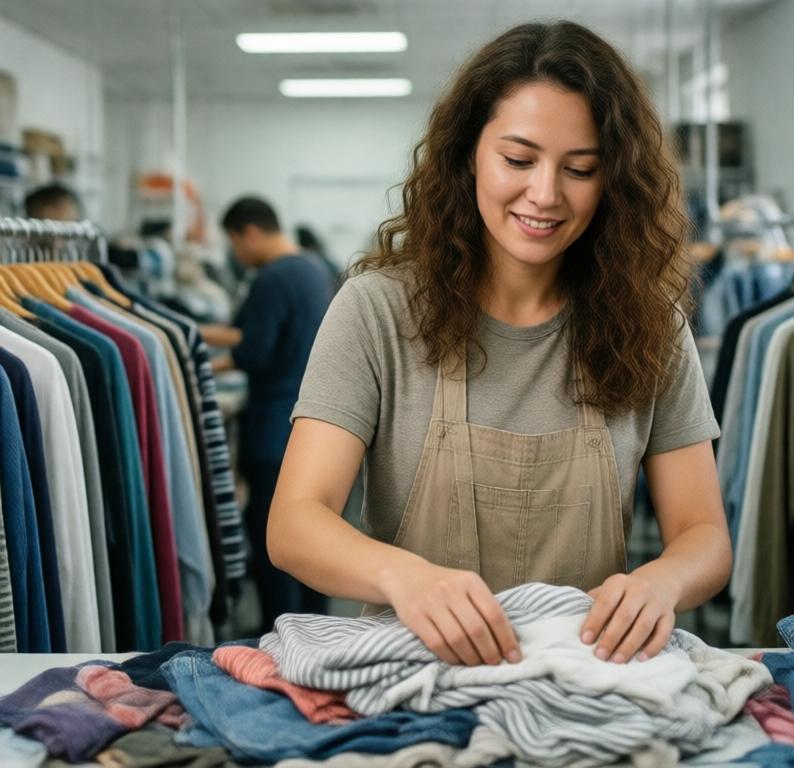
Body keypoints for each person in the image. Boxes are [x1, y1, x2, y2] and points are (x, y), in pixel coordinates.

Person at [268, 21, 731, 667]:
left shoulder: (651, 324)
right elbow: (294, 522)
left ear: (613, 180)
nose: (544, 194)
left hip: (587, 679)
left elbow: (703, 534)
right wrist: (402, 577)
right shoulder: (375, 310)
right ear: (466, 156)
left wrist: (663, 581)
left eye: (581, 169)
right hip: (414, 673)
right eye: (518, 160)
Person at [200, 196, 334, 632]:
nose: (235, 254)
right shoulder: (313, 268)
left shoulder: (273, 278)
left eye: (234, 242)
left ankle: (283, 645)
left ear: (250, 233)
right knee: (315, 544)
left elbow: (254, 350)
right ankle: (318, 637)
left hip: (274, 428)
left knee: (275, 546)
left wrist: (197, 358)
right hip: (315, 430)